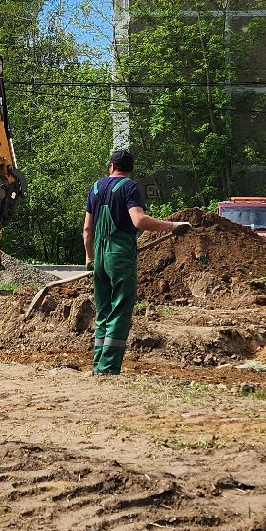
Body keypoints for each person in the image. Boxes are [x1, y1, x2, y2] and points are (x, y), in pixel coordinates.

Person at [82, 149, 189, 375]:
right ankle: (108, 368)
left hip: (99, 257)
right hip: (119, 256)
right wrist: (172, 226)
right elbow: (138, 220)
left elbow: (87, 229)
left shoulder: (95, 188)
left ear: (111, 166)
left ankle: (97, 365)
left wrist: (90, 256)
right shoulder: (130, 187)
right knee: (120, 310)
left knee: (103, 310)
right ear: (131, 169)